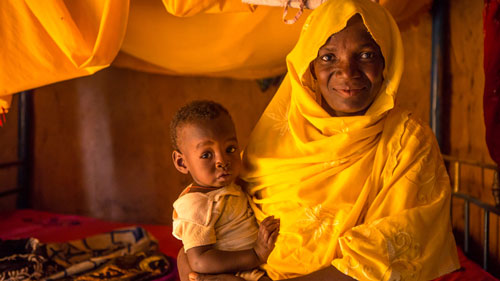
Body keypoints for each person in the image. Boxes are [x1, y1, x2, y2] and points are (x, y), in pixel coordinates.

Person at [181, 0, 460, 280]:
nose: (347, 72)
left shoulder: (407, 142)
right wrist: (194, 270)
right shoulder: (277, 133)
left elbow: (387, 253)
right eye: (328, 57)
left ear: (387, 60)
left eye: (365, 55)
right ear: (310, 66)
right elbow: (209, 226)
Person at [170, 100, 280, 281]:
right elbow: (199, 261)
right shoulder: (195, 203)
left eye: (230, 149)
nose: (223, 160)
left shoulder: (228, 186)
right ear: (182, 162)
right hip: (227, 273)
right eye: (207, 154)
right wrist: (256, 254)